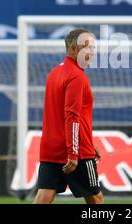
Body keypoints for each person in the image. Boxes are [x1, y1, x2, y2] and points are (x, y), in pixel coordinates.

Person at [33, 28, 103, 204]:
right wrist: (74, 151)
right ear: (74, 49)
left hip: (51, 147)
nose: (92, 53)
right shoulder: (77, 77)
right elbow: (72, 116)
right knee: (96, 198)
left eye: (94, 48)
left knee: (44, 195)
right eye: (88, 48)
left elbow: (57, 114)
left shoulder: (54, 73)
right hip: (75, 152)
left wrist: (87, 140)